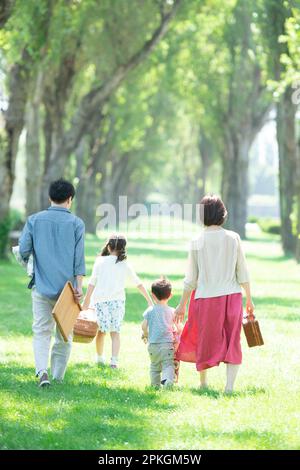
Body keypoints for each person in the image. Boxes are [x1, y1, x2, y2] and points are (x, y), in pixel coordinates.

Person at [175, 195, 255, 394]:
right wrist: (249, 299)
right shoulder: (233, 237)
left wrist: (182, 304)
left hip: (205, 297)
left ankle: (203, 383)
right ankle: (229, 388)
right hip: (232, 296)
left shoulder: (197, 241)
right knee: (232, 341)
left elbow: (190, 278)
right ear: (222, 213)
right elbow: (242, 271)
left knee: (204, 339)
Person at [19, 178, 85, 387]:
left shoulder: (34, 220)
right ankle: (58, 376)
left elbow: (23, 250)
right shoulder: (76, 223)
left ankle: (42, 372)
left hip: (41, 286)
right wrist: (79, 287)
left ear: (50, 198)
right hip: (67, 290)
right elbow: (79, 260)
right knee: (64, 333)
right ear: (70, 199)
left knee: (41, 330)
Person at [83, 234, 152, 369]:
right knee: (115, 332)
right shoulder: (124, 264)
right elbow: (138, 283)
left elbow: (92, 283)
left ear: (108, 247)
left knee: (101, 332)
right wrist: (149, 301)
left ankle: (99, 358)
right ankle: (114, 361)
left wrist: (86, 302)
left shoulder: (100, 261)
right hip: (117, 303)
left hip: (100, 302)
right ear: (122, 248)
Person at [142, 278, 181, 388]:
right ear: (170, 295)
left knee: (154, 367)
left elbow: (143, 325)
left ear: (153, 296)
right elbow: (179, 328)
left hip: (153, 345)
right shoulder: (172, 311)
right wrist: (178, 334)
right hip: (167, 345)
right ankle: (167, 380)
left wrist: (145, 334)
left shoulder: (150, 310)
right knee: (168, 365)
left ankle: (155, 385)